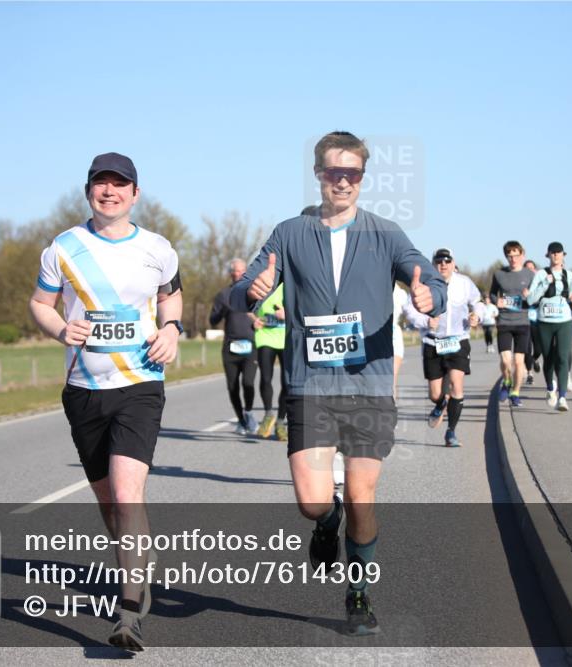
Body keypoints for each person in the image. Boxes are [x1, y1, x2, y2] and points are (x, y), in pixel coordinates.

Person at [230, 131, 447, 636]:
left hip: (368, 384)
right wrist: (253, 287)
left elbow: (424, 275)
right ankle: (326, 525)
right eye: (333, 172)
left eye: (351, 173)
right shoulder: (289, 233)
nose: (342, 181)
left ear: (362, 179)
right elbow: (244, 288)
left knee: (361, 495)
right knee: (312, 501)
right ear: (318, 175)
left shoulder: (385, 233)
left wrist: (427, 293)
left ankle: (359, 594)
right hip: (310, 385)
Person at [29, 152, 182, 651]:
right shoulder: (63, 249)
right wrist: (59, 328)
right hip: (84, 391)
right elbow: (39, 303)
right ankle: (136, 565)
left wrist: (173, 329)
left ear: (136, 194)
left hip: (140, 385)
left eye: (121, 185)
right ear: (89, 191)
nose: (110, 192)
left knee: (125, 493)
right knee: (108, 503)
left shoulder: (158, 249)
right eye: (102, 184)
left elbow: (170, 296)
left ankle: (129, 612)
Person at [404, 247, 482, 447]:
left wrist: (477, 315)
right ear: (433, 264)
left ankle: (451, 432)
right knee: (435, 393)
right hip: (433, 342)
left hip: (458, 340)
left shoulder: (464, 283)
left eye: (447, 261)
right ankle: (441, 404)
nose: (443, 265)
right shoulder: (424, 284)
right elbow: (409, 310)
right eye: (439, 261)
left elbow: (478, 302)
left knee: (457, 383)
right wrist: (424, 322)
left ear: (454, 264)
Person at [525, 242, 572, 412]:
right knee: (548, 359)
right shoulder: (541, 274)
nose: (556, 256)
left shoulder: (569, 275)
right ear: (548, 255)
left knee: (563, 357)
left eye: (558, 253)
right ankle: (550, 388)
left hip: (564, 321)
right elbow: (530, 299)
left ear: (563, 255)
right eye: (552, 253)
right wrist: (544, 285)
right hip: (545, 322)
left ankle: (562, 397)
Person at [210, 259, 259, 435]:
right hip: (230, 347)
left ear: (246, 272)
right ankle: (241, 421)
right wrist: (221, 311)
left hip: (250, 345)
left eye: (241, 271)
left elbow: (263, 313)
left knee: (248, 383)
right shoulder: (223, 295)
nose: (238, 274)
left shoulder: (253, 292)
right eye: (235, 271)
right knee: (232, 387)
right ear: (231, 274)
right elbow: (213, 320)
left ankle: (249, 412)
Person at [489, 241, 535, 407]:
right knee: (505, 361)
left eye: (516, 255)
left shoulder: (530, 275)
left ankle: (515, 392)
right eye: (510, 256)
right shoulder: (499, 274)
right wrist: (497, 301)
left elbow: (537, 298)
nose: (513, 259)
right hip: (504, 322)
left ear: (522, 254)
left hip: (523, 322)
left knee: (518, 361)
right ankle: (507, 382)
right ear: (506, 257)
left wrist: (530, 296)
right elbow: (493, 294)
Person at [251, 283, 288, 440]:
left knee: (287, 382)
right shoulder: (261, 285)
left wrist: (288, 313)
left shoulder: (289, 283)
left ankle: (280, 422)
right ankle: (268, 415)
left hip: (286, 337)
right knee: (266, 378)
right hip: (265, 336)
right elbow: (246, 307)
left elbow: (305, 305)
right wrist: (253, 320)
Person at [523, 259, 541, 385]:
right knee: (527, 349)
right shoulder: (520, 285)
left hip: (538, 320)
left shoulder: (540, 285)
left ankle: (534, 360)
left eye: (532, 267)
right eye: (527, 268)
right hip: (524, 320)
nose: (529, 270)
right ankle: (529, 373)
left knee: (539, 348)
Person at [392, 282, 409, 398]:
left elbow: (410, 313)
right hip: (370, 336)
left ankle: (389, 410)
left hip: (393, 335)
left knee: (390, 377)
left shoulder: (400, 293)